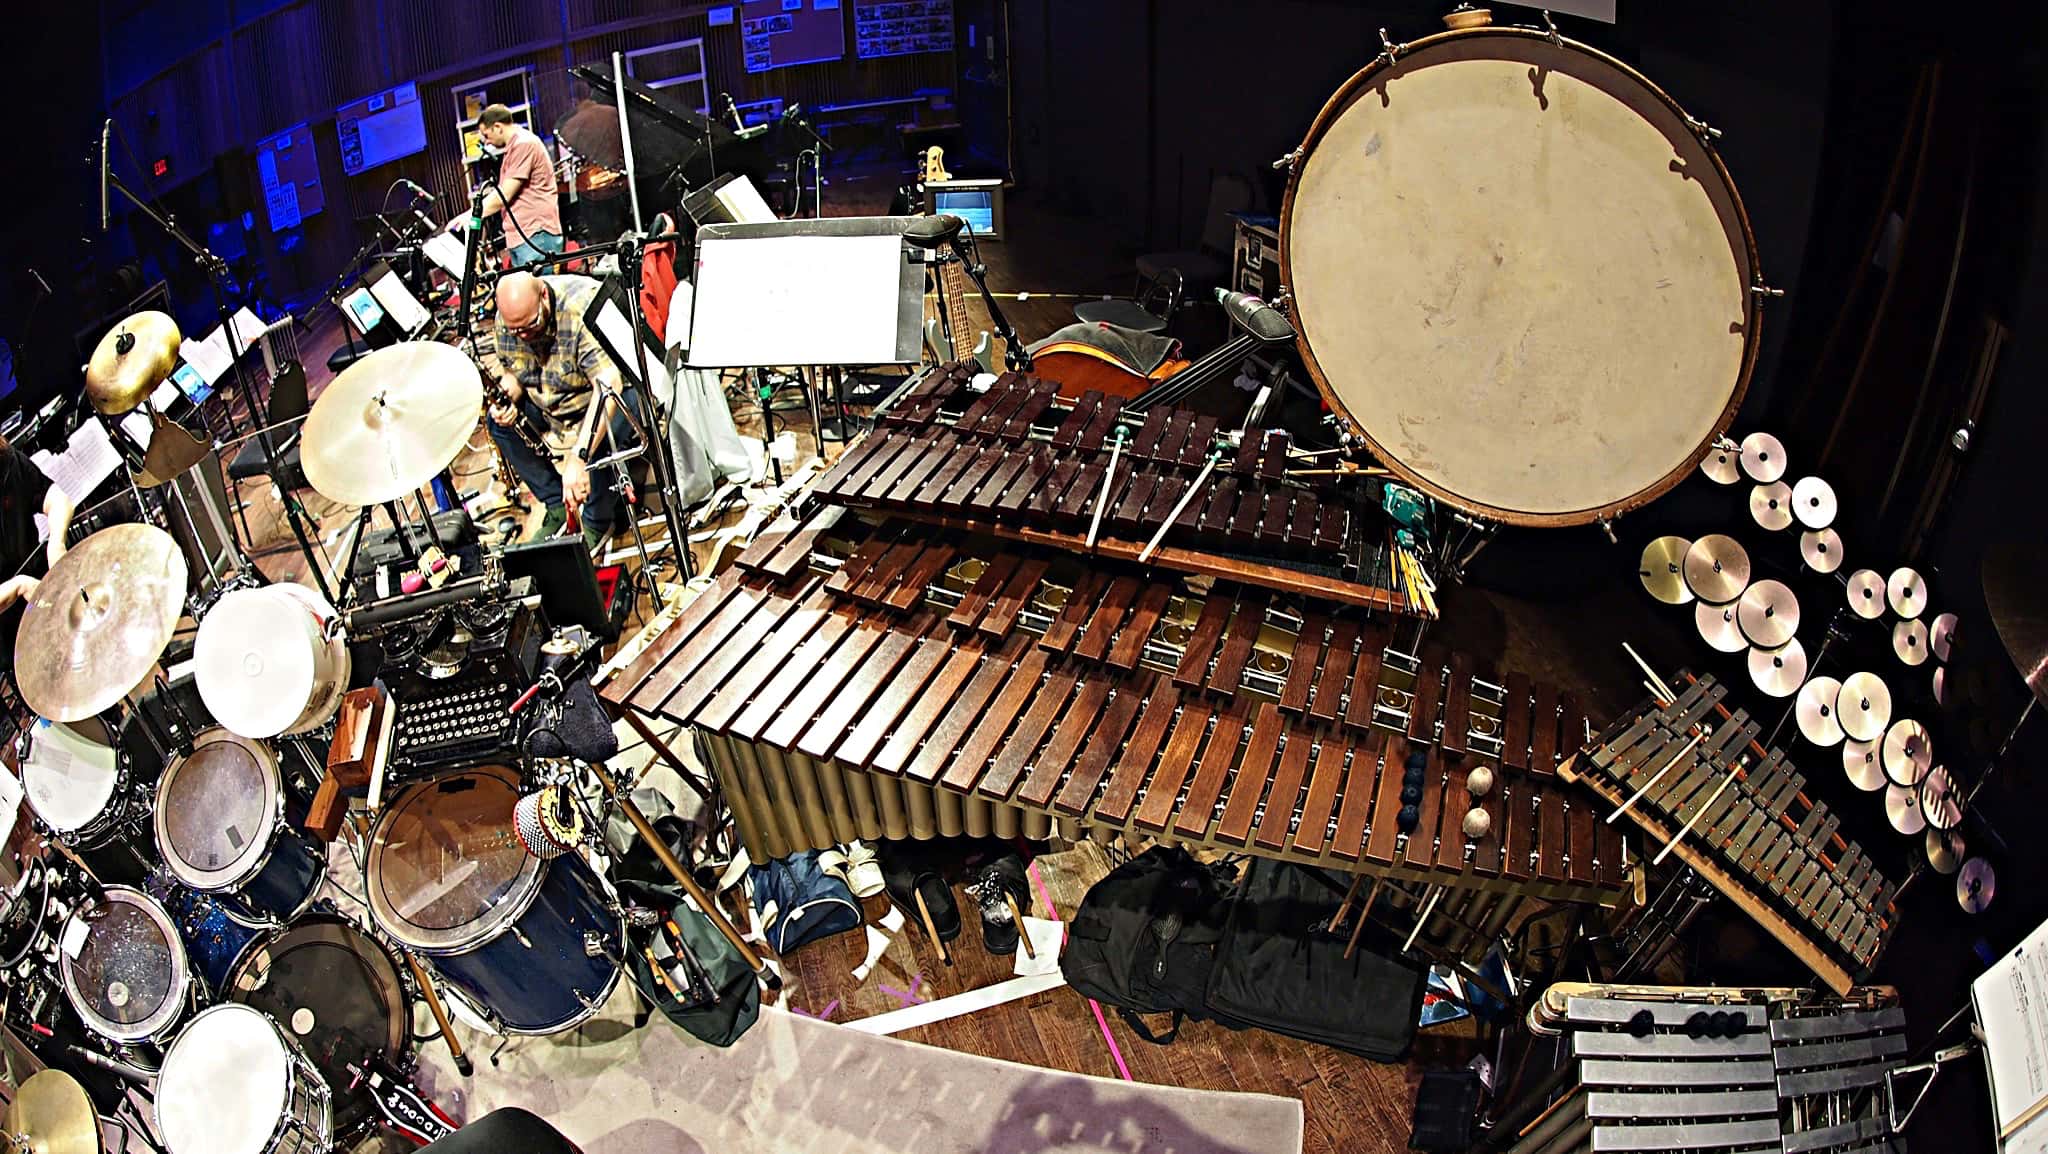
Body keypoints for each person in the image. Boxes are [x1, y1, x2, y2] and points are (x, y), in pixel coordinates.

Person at [488, 271, 640, 551]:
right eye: (516, 330)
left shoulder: (579, 307)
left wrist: (579, 456)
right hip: (554, 400)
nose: (523, 335)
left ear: (543, 295)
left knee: (601, 433)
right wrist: (508, 396)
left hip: (609, 395)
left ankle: (597, 521)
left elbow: (609, 385)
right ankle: (556, 504)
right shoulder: (511, 320)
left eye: (530, 325)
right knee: (496, 424)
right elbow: (515, 373)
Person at [0, 437, 72, 674]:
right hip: (12, 638)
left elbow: (57, 500)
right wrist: (18, 587)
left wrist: (56, 542)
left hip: (50, 593)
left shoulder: (6, 462)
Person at [471, 106, 563, 267]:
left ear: (498, 127)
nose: (486, 141)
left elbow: (504, 195)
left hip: (535, 235)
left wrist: (472, 215)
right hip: (525, 236)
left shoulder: (523, 144)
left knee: (537, 290)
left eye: (487, 135)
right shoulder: (513, 147)